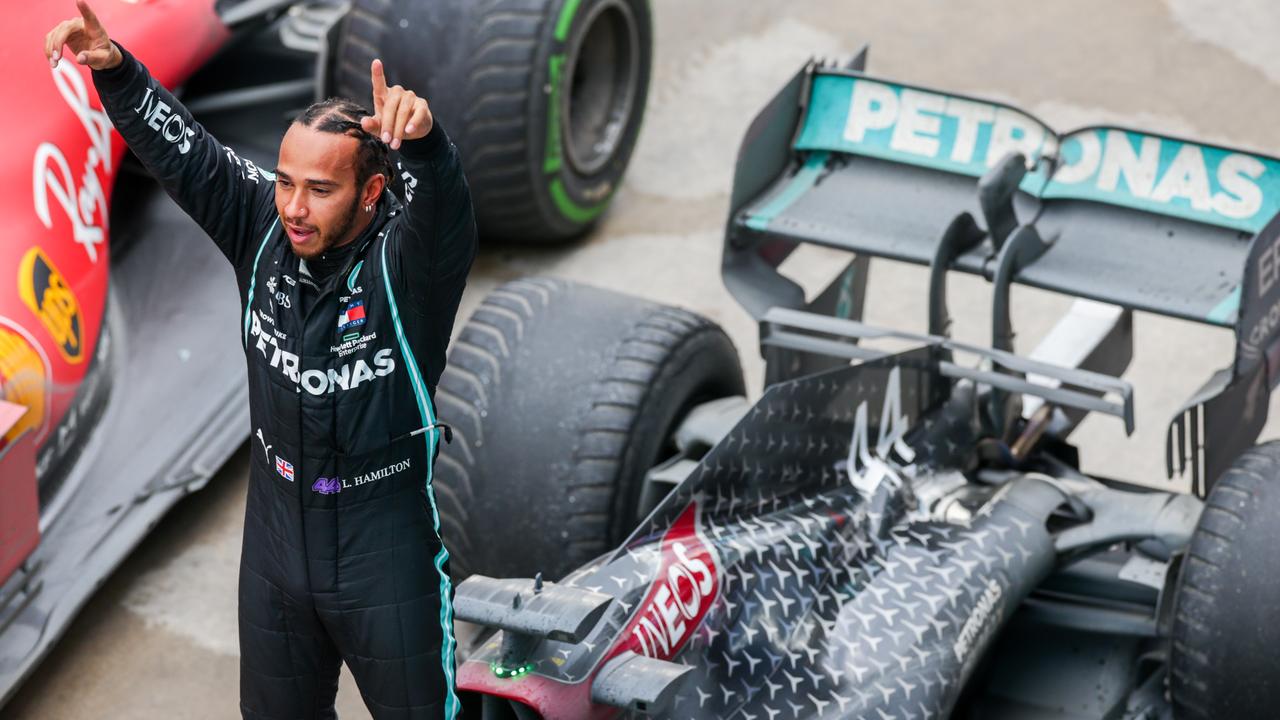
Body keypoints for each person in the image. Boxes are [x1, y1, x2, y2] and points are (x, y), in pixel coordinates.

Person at [44, 2, 477, 717]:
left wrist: (427, 148)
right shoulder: (266, 228)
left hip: (384, 548)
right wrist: (116, 71)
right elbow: (188, 155)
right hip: (276, 543)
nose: (294, 207)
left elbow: (446, 212)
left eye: (320, 188)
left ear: (372, 192)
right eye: (285, 181)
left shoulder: (408, 266)